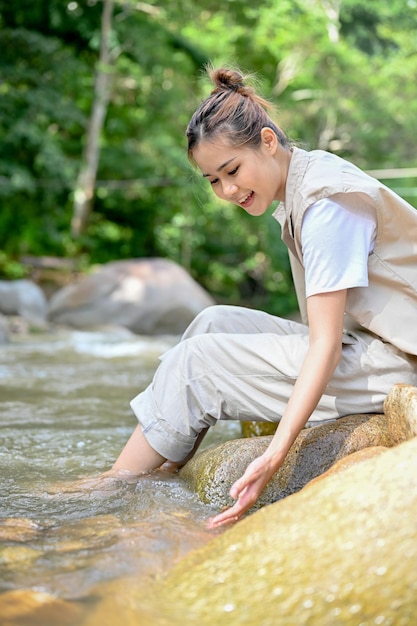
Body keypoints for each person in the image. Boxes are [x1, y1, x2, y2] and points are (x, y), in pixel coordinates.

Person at [110, 66, 417, 528]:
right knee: (212, 323)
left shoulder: (326, 205)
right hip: (383, 347)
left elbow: (326, 345)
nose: (228, 190)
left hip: (405, 362)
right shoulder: (305, 180)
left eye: (232, 170)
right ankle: (163, 470)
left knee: (197, 364)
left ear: (268, 142)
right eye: (214, 180)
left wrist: (276, 452)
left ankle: (111, 490)